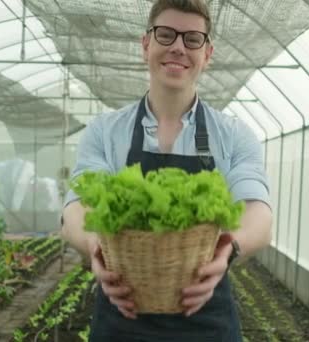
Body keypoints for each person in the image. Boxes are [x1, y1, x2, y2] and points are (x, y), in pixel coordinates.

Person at [61, 0, 273, 340]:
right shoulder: (104, 131)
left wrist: (230, 248)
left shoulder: (234, 135)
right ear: (146, 45)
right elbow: (77, 205)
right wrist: (93, 244)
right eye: (166, 34)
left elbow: (258, 213)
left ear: (208, 53)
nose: (177, 47)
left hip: (207, 322)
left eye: (192, 39)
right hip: (121, 317)